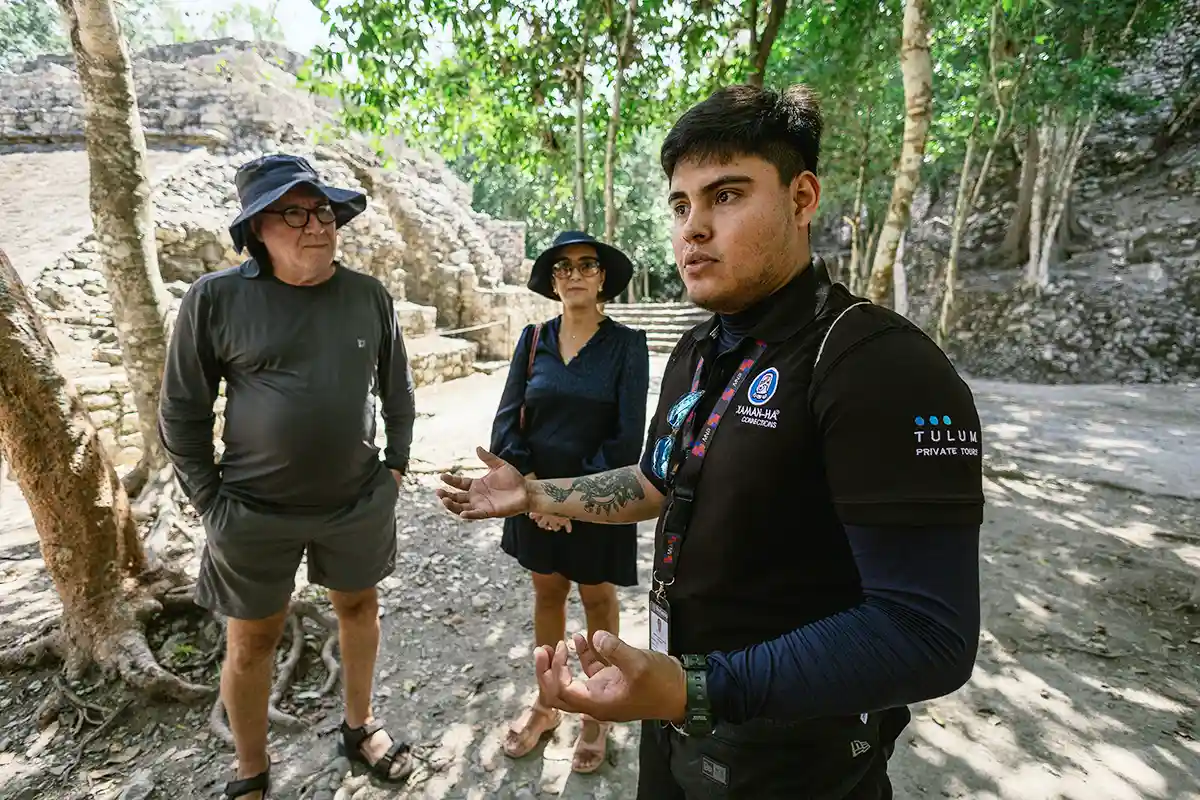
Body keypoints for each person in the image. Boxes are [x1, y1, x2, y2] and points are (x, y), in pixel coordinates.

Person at [436, 84, 984, 798]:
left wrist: (693, 686)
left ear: (802, 197)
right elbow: (657, 482)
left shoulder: (877, 363)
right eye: (681, 204)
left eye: (726, 196)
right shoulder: (698, 350)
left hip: (798, 757)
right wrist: (537, 492)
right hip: (678, 722)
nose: (693, 227)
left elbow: (927, 635)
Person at [158, 154, 417, 800]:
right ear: (256, 230)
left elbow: (398, 392)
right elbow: (181, 413)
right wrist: (210, 505)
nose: (316, 224)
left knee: (359, 608)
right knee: (252, 641)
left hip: (356, 502)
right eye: (294, 213)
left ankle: (359, 728)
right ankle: (251, 771)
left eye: (323, 210)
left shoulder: (368, 296)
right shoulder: (215, 300)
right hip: (250, 511)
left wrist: (395, 471)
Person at [489, 230, 650, 772]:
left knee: (598, 598)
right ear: (553, 281)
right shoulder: (533, 339)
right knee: (548, 592)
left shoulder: (627, 345)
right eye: (563, 268)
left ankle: (598, 710)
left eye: (586, 265)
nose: (575, 274)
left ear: (602, 277)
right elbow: (508, 420)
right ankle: (549, 701)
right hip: (532, 498)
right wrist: (531, 488)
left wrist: (565, 500)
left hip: (597, 497)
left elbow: (628, 438)